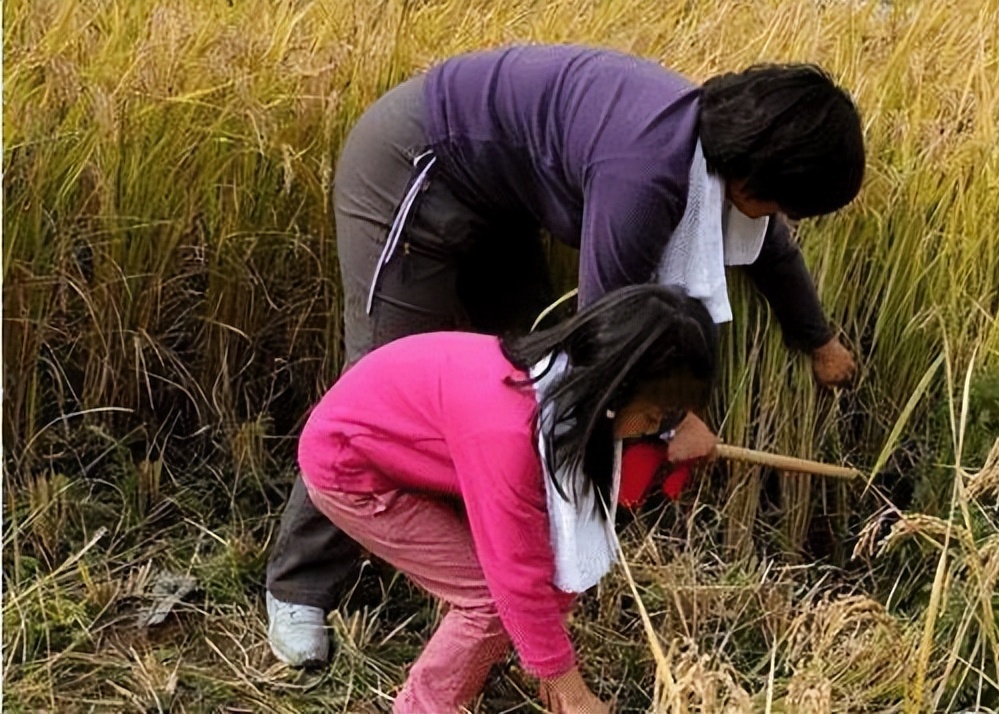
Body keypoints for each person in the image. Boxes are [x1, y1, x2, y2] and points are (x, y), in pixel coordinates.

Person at [266, 43, 865, 667]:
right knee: (373, 386)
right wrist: (672, 418)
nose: (779, 219)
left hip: (500, 201)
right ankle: (298, 587)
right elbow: (605, 348)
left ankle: (476, 566)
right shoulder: (645, 174)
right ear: (750, 177)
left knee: (529, 382)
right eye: (783, 203)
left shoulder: (721, 143)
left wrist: (818, 340)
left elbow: (768, 244)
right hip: (417, 168)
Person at [297, 284, 718, 713]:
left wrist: (673, 424)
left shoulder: (562, 381)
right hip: (350, 467)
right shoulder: (510, 435)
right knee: (488, 597)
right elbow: (515, 578)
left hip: (410, 445)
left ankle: (495, 655)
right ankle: (422, 706)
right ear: (612, 387)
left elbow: (547, 542)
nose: (650, 429)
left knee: (510, 584)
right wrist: (569, 689)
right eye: (652, 416)